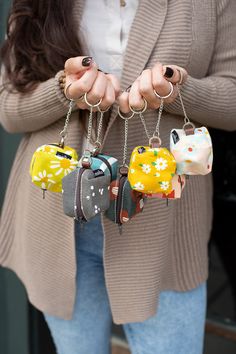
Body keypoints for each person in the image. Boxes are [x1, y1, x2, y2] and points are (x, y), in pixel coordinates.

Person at [0, 0, 236, 353]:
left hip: (164, 232)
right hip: (58, 224)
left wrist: (179, 92)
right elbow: (9, 109)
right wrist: (65, 91)